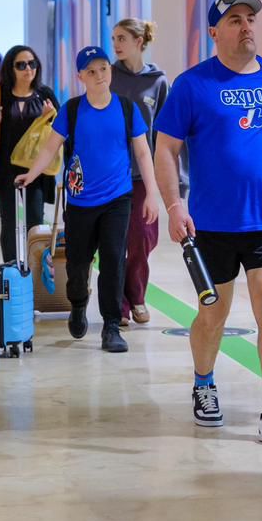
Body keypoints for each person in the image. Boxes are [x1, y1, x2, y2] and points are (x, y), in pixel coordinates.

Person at [153, 0, 262, 444]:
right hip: (211, 224)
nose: (246, 26)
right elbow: (165, 149)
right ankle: (204, 383)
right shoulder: (193, 85)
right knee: (212, 313)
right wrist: (174, 206)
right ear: (215, 32)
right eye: (235, 20)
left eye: (250, 18)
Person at [16, 46, 161, 353]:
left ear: (111, 71)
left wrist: (152, 193)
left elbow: (142, 152)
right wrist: (31, 174)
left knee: (113, 260)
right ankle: (78, 304)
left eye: (103, 69)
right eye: (91, 71)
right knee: (79, 264)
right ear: (80, 76)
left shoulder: (126, 108)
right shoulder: (71, 110)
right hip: (81, 202)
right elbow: (50, 147)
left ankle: (111, 326)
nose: (99, 76)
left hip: (118, 199)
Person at [110, 18, 169, 327]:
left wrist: (168, 180)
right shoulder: (108, 77)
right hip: (113, 175)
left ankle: (135, 293)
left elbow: (164, 133)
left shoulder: (158, 82)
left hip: (144, 176)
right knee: (116, 241)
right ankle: (123, 305)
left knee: (143, 239)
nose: (116, 44)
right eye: (113, 38)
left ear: (138, 41)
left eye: (121, 38)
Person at [0, 45, 59, 262]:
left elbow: (60, 130)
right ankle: (11, 269)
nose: (28, 69)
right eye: (21, 65)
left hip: (36, 169)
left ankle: (36, 270)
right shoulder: (0, 95)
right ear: (11, 68)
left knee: (35, 223)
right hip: (5, 168)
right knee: (9, 223)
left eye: (32, 63)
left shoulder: (44, 95)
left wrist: (48, 116)